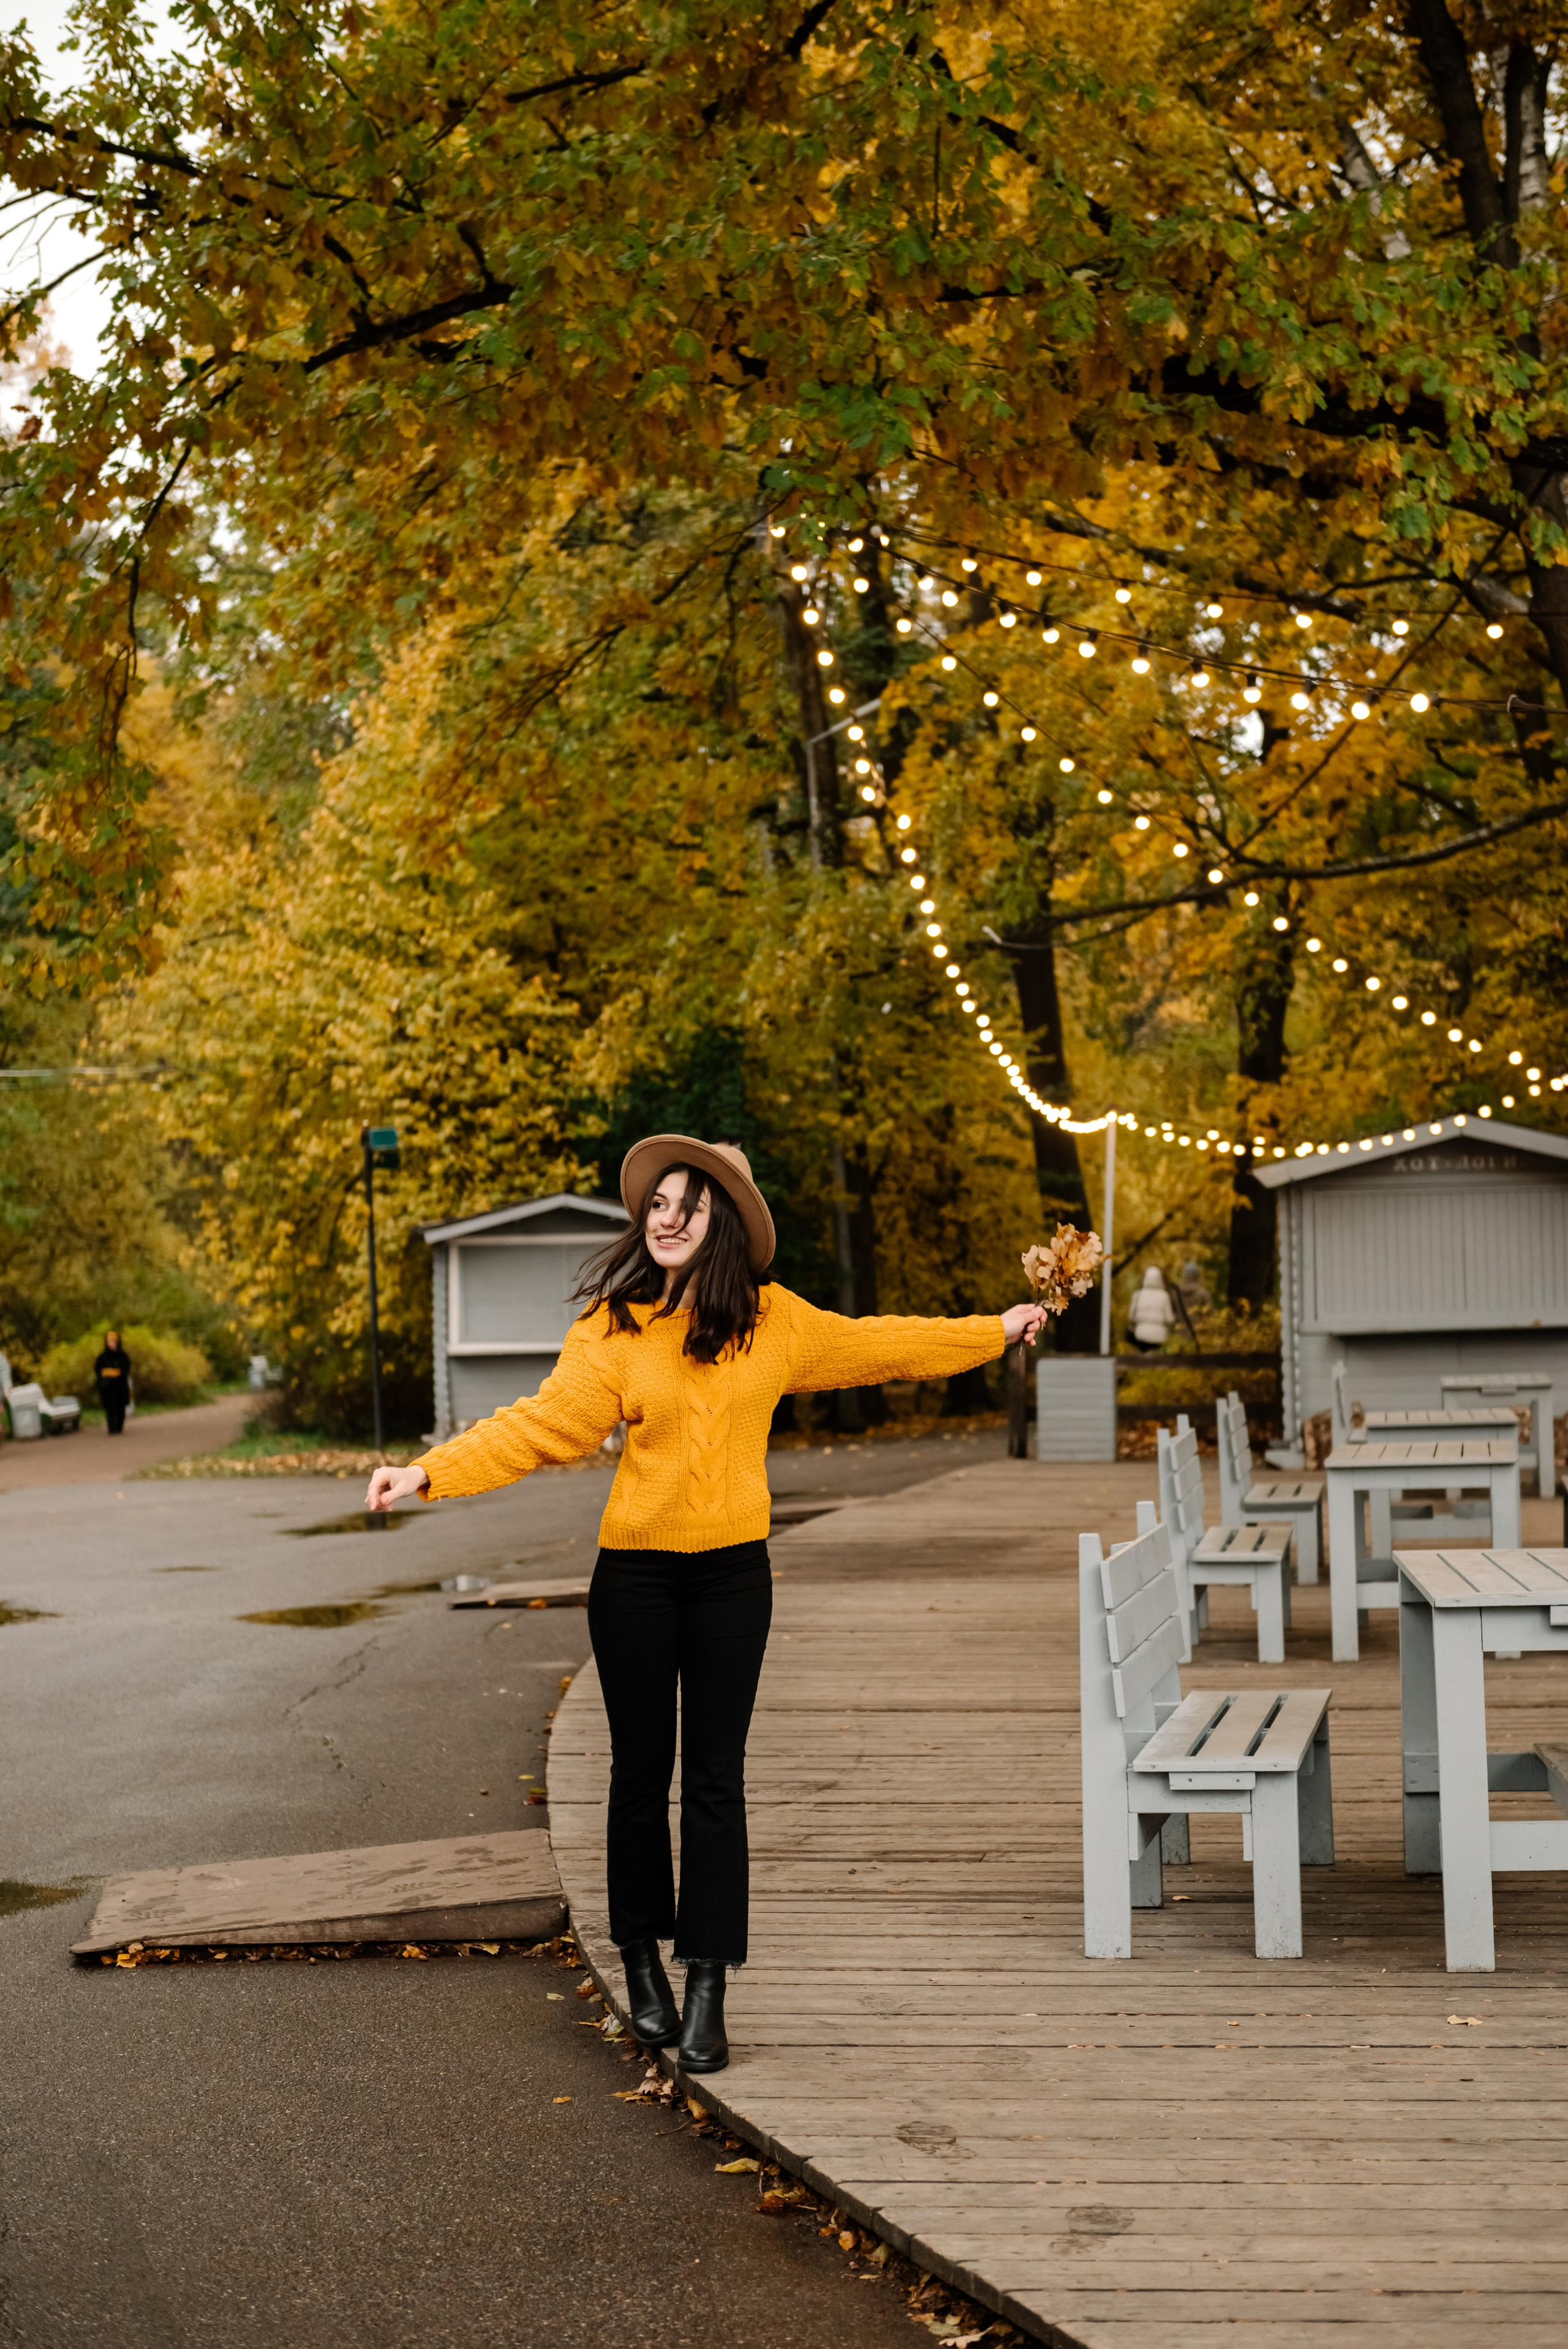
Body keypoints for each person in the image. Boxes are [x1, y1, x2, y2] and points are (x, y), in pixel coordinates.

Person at [367, 1136, 1049, 2075]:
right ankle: (640, 1959)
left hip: (733, 1578)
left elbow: (881, 1344)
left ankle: (708, 1984)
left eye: (688, 1203)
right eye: (657, 1202)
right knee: (640, 1776)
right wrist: (428, 1471)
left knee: (716, 1781)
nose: (667, 1217)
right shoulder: (615, 1327)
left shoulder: (775, 1321)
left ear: (721, 1217)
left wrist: (993, 1329)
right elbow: (542, 1425)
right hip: (635, 1579)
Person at [1126, 1266, 1174, 1352]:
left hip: (1140, 1335)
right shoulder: (1164, 1296)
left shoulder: (1138, 1295)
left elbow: (1131, 1317)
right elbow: (1170, 1319)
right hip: (1159, 1336)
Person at [94, 1330, 132, 1434]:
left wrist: (118, 1372)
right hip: (108, 1388)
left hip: (120, 1387)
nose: (111, 1344)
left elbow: (126, 1368)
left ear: (117, 1343)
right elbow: (97, 1369)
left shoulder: (123, 1356)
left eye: (113, 1342)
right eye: (109, 1342)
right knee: (110, 1408)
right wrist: (105, 1373)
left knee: (120, 1408)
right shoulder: (103, 1357)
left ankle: (119, 1427)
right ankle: (111, 1428)